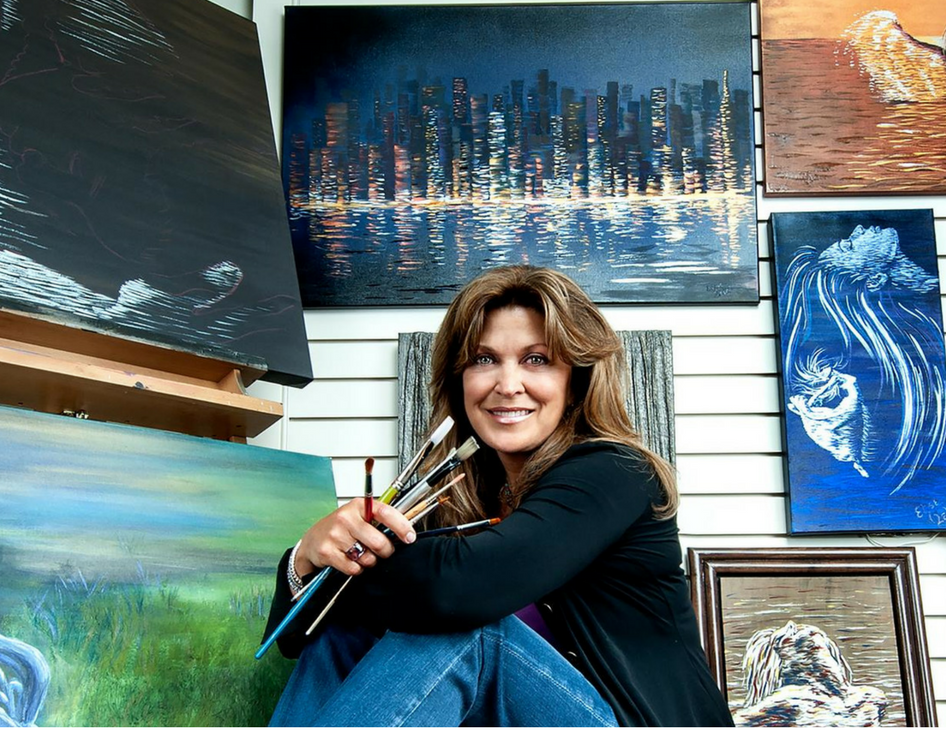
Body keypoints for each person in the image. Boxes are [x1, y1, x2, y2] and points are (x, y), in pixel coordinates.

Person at [262, 266, 734, 727]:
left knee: (467, 626)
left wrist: (353, 566)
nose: (507, 386)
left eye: (537, 359)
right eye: (484, 360)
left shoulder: (613, 471)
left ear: (576, 380)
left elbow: (459, 590)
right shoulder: (453, 494)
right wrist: (306, 558)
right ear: (459, 379)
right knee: (343, 634)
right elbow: (298, 637)